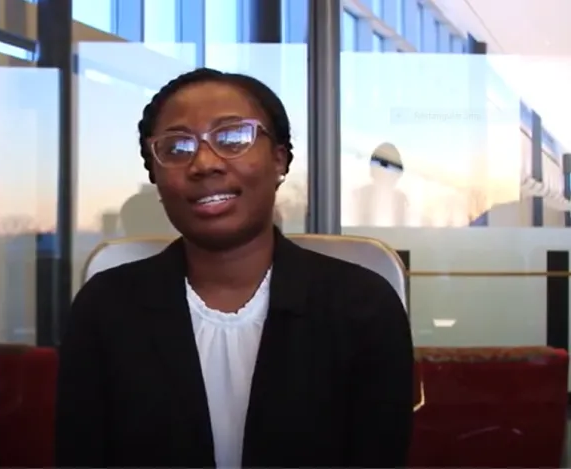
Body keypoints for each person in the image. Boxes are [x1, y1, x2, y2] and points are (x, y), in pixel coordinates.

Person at [55, 68, 414, 468]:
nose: (204, 163)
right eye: (176, 148)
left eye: (232, 138)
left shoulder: (363, 307)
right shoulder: (105, 309)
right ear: (155, 176)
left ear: (280, 159)